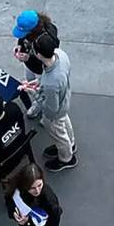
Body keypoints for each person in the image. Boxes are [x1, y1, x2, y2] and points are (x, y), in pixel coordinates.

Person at [20, 35, 77, 172]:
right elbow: (47, 77)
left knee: (58, 134)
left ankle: (66, 158)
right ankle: (71, 144)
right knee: (65, 124)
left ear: (39, 55)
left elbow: (50, 110)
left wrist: (33, 92)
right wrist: (38, 84)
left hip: (55, 113)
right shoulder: (60, 55)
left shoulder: (51, 84)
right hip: (64, 100)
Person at [12, 10, 60, 118]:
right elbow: (22, 38)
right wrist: (20, 47)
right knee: (30, 81)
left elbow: (47, 60)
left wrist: (29, 58)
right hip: (30, 66)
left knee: (40, 89)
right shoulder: (30, 32)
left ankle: (38, 106)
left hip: (41, 70)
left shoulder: (45, 41)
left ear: (33, 30)